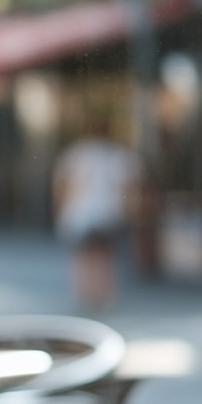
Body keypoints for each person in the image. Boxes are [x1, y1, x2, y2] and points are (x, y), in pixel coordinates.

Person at [53, 118, 141, 308]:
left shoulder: (76, 153)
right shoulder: (118, 154)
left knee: (82, 256)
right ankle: (103, 295)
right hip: (107, 213)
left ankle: (85, 294)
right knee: (104, 256)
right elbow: (128, 188)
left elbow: (62, 186)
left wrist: (61, 210)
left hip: (79, 215)